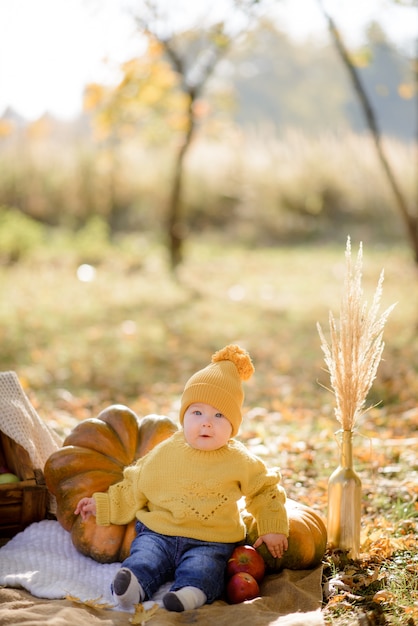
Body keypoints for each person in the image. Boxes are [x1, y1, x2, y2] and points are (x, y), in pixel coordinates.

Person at [75, 344, 289, 613]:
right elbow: (135, 484)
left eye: (219, 415)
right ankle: (133, 585)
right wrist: (103, 505)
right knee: (145, 555)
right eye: (197, 412)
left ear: (234, 425)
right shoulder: (166, 452)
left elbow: (264, 488)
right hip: (159, 532)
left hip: (210, 540)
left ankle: (191, 593)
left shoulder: (239, 459)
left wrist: (272, 525)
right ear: (184, 416)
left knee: (204, 566)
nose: (206, 422)